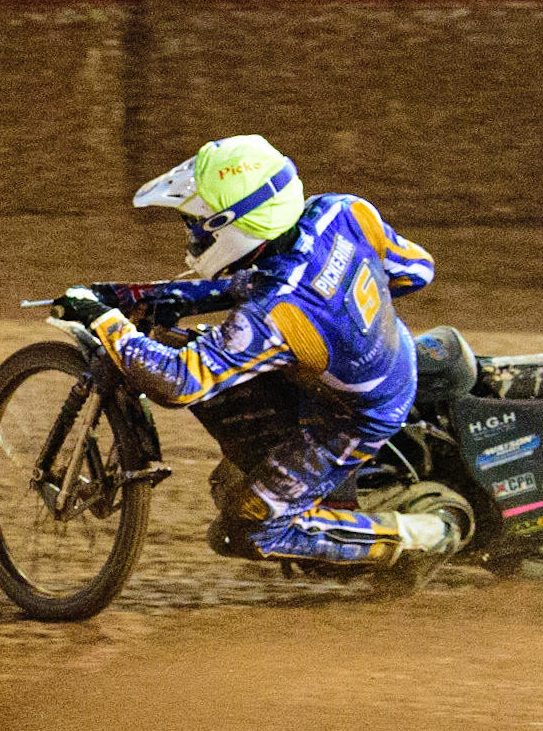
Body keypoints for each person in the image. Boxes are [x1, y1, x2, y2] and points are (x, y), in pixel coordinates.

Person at [54, 135, 467, 585]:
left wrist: (106, 323)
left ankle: (420, 535)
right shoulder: (343, 211)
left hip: (351, 419)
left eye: (197, 222)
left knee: (246, 529)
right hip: (383, 357)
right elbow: (416, 270)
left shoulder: (276, 313)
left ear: (235, 225)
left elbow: (179, 382)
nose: (192, 233)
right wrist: (340, 317)